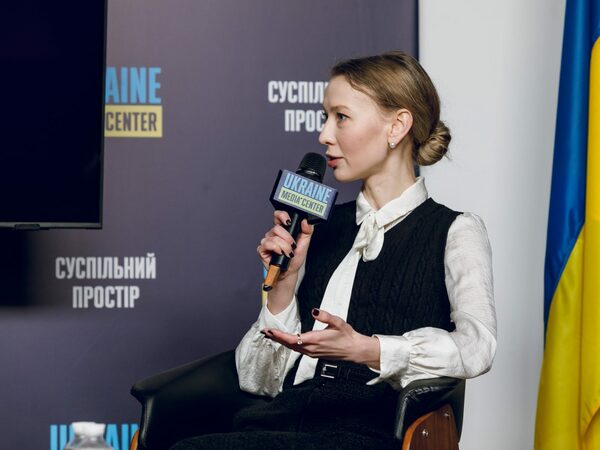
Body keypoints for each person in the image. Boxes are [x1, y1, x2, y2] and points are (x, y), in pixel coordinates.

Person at [171, 51, 496, 450]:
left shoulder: (455, 231)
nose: (324, 135)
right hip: (281, 423)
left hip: (372, 432)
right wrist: (285, 284)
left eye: (341, 117)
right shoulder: (319, 228)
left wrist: (370, 349)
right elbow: (258, 380)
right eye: (325, 117)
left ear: (397, 126)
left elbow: (478, 346)